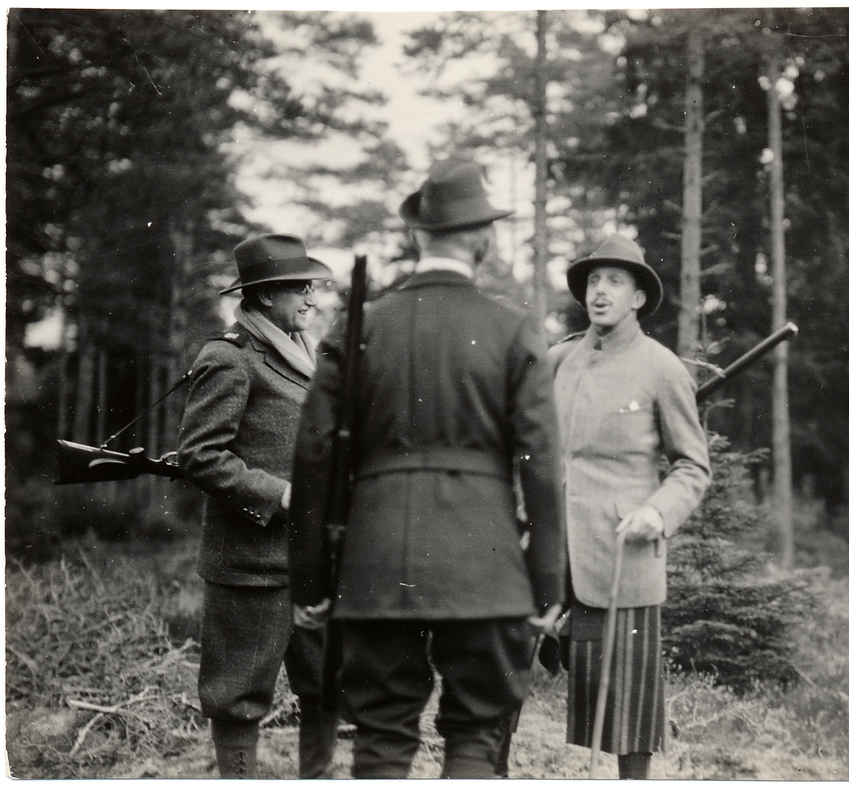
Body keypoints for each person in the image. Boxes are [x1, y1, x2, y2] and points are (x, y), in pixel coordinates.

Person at [288, 159, 565, 779]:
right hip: (485, 569)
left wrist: (309, 583)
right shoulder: (512, 328)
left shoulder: (359, 328)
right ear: (484, 236)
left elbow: (313, 456)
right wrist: (547, 584)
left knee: (382, 734)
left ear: (418, 234)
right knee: (477, 733)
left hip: (376, 567)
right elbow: (543, 465)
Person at [548, 234, 711, 779]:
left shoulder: (662, 368)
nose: (600, 291)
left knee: (628, 707)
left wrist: (657, 513)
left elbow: (692, 466)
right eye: (593, 280)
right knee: (499, 675)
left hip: (620, 549)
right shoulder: (558, 360)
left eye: (615, 281)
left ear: (638, 298)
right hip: (547, 545)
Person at [177, 233, 338, 778]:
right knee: (237, 698)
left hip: (314, 563)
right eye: (300, 288)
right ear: (266, 295)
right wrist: (281, 494)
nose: (312, 298)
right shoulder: (230, 357)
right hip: (252, 564)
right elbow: (200, 455)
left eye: (312, 287)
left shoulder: (308, 353)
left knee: (326, 686)